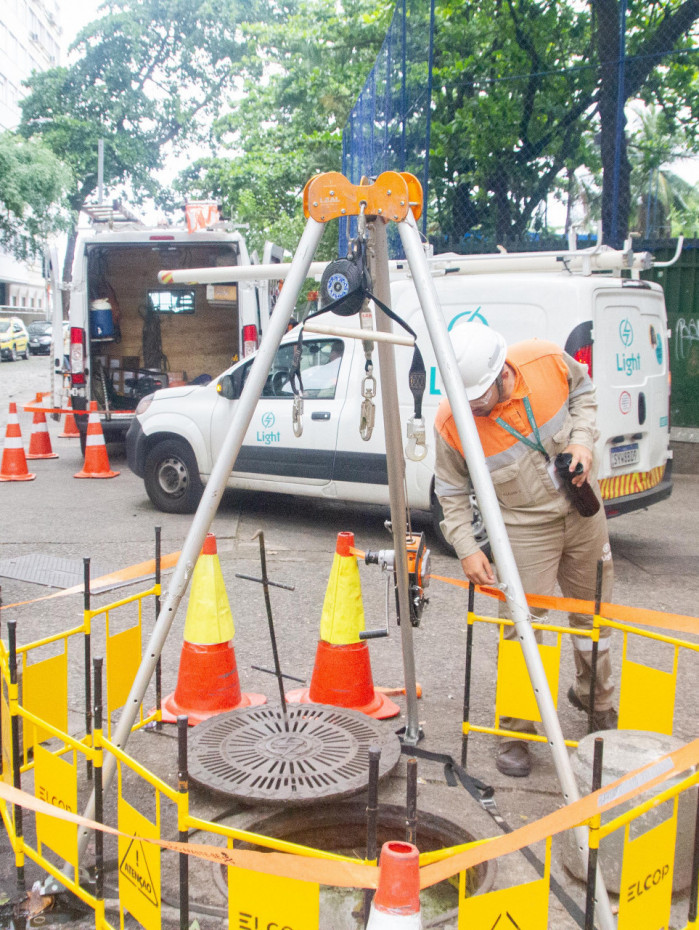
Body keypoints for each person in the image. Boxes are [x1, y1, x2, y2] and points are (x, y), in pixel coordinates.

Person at [434, 321, 616, 778]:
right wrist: (466, 547)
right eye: (465, 399)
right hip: (522, 525)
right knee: (521, 629)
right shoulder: (451, 422)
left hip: (581, 510)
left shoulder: (546, 359)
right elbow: (451, 492)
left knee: (593, 616)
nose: (473, 406)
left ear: (502, 374)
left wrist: (581, 440)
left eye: (479, 397)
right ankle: (516, 730)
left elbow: (585, 394)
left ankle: (598, 704)